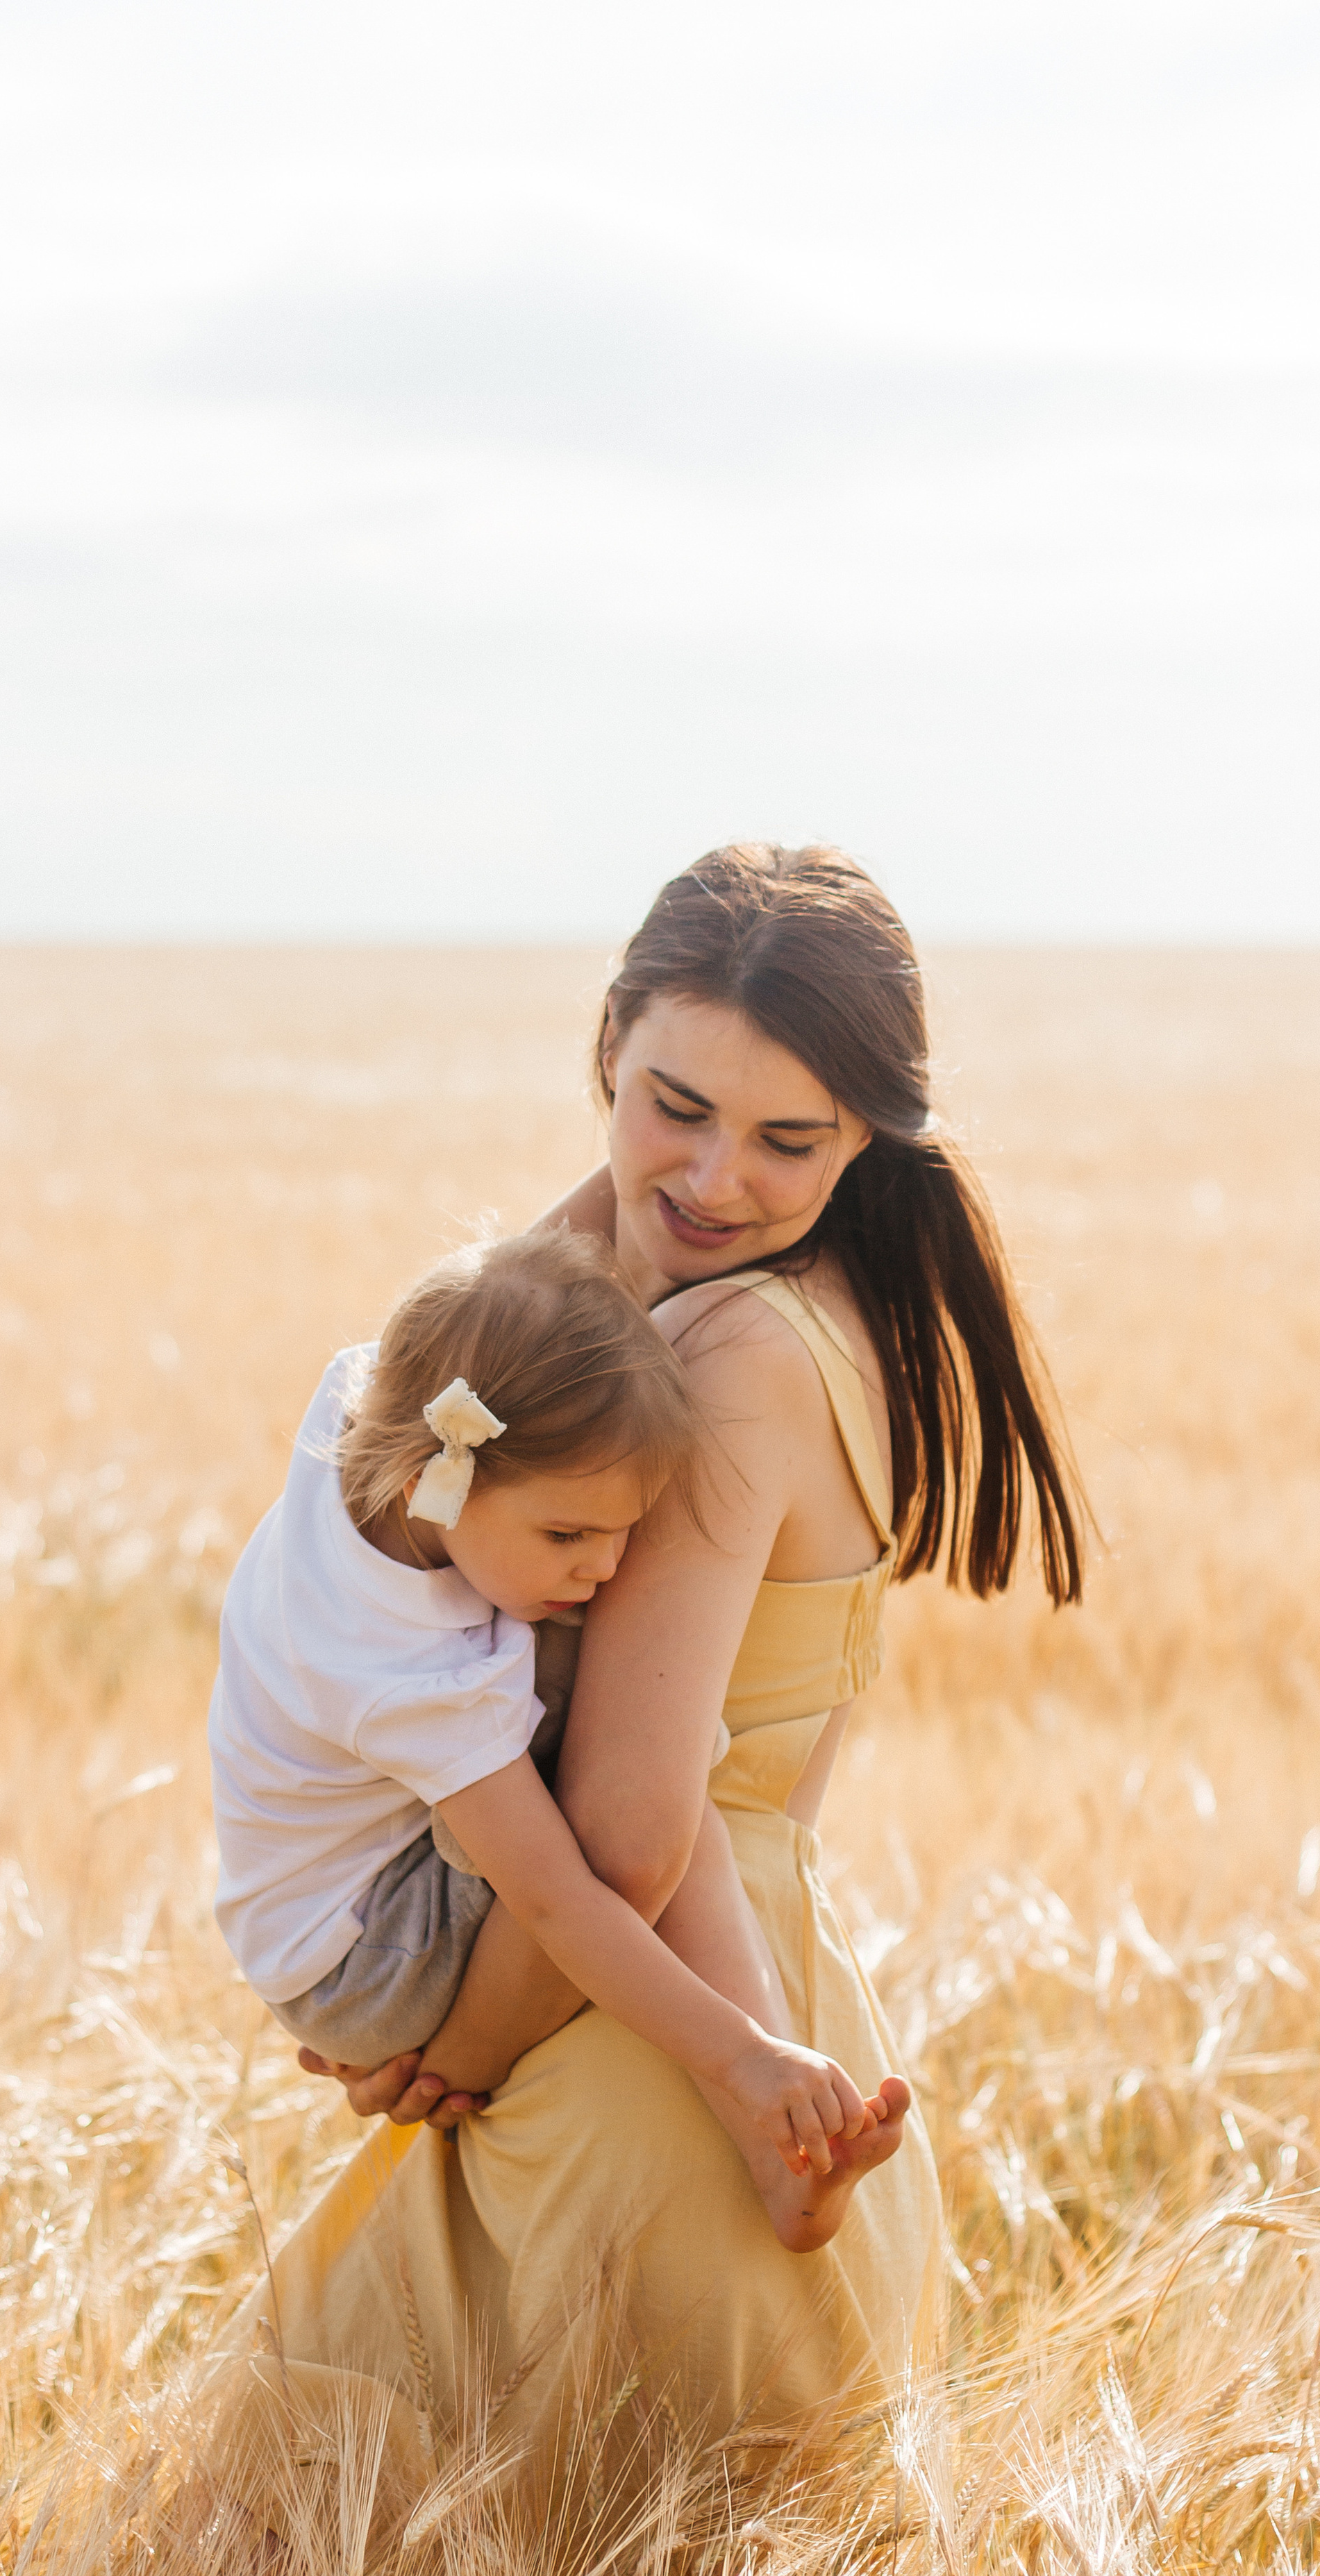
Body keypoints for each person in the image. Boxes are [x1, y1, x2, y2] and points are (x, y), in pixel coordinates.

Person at [226, 843, 1083, 2468]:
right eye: (669, 1106)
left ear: (865, 1136)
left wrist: (445, 2061)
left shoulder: (716, 1354)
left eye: (787, 1140)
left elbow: (627, 1825)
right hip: (753, 2005)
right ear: (602, 1046)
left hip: (620, 2068)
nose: (709, 1179)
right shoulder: (832, 1316)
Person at [209, 1225, 903, 2248]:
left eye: (626, 1530)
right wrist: (734, 2052)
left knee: (640, 1754)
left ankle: (772, 2114)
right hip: (366, 1957)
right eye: (569, 1537)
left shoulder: (370, 1397)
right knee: (647, 1793)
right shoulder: (414, 1679)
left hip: (317, 1912)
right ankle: (766, 2115)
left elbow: (521, 1289)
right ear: (433, 1483)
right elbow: (559, 1900)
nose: (607, 1569)